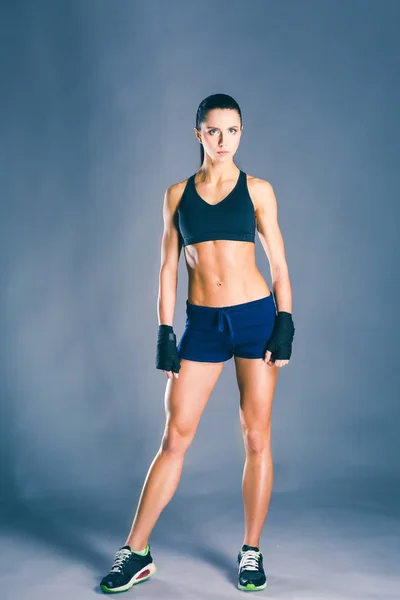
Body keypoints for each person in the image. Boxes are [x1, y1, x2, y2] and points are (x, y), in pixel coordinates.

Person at [100, 93, 295, 594]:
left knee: (256, 437)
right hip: (203, 325)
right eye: (213, 131)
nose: (223, 140)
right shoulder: (176, 194)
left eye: (232, 131)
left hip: (255, 318)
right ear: (198, 135)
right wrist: (165, 332)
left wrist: (286, 320)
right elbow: (167, 268)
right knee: (175, 438)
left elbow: (278, 261)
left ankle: (251, 551)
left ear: (241, 134)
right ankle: (136, 551)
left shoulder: (258, 190)